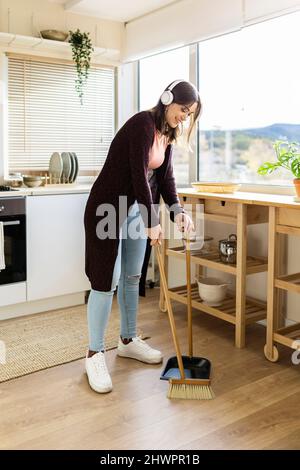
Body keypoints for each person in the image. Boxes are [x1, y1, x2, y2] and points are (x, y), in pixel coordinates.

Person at [84, 79, 202, 393]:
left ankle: (127, 340)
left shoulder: (167, 136)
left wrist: (179, 212)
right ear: (167, 99)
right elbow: (138, 173)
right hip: (106, 209)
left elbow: (166, 180)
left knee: (133, 276)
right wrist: (153, 220)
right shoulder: (142, 124)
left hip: (136, 210)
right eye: (183, 109)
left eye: (189, 114)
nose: (184, 117)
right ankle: (94, 353)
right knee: (104, 280)